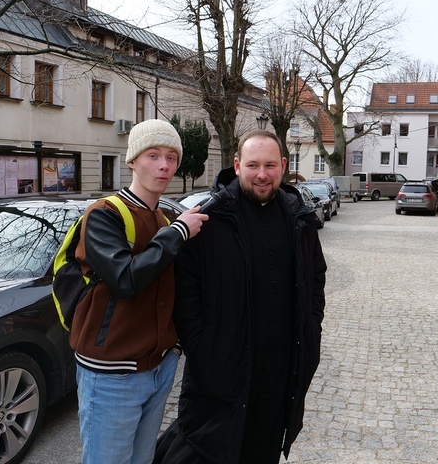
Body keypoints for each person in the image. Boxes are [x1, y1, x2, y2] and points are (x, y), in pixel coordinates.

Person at [155, 130, 327, 464]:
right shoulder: (209, 219)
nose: (261, 174)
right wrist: (204, 350)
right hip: (222, 372)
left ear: (284, 166)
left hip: (279, 372)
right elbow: (185, 294)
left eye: (270, 165)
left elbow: (315, 280)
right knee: (210, 449)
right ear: (236, 166)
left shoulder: (299, 219)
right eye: (252, 165)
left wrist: (311, 330)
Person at [70, 119, 209, 464]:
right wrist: (178, 233)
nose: (164, 166)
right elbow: (126, 280)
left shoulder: (162, 219)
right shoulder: (104, 214)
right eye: (153, 155)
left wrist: (173, 348)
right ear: (132, 160)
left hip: (157, 369)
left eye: (171, 157)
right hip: (111, 375)